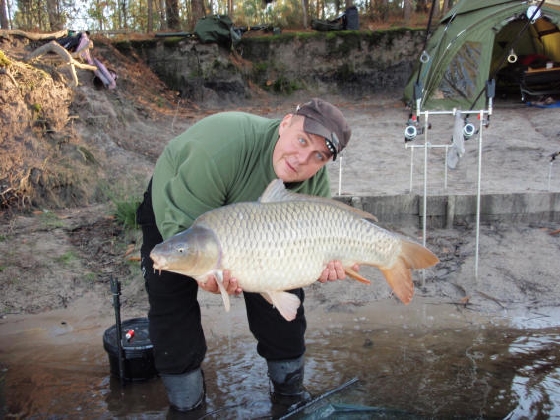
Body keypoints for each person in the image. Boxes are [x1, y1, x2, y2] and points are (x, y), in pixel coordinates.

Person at [136, 98, 353, 413]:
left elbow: (301, 257)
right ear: (285, 123)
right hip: (180, 209)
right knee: (171, 302)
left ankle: (289, 395)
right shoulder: (218, 150)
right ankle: (187, 406)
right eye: (302, 140)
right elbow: (184, 236)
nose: (301, 158)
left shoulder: (312, 182)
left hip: (251, 231)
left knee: (280, 294)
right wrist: (206, 277)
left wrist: (321, 265)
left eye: (317, 155)